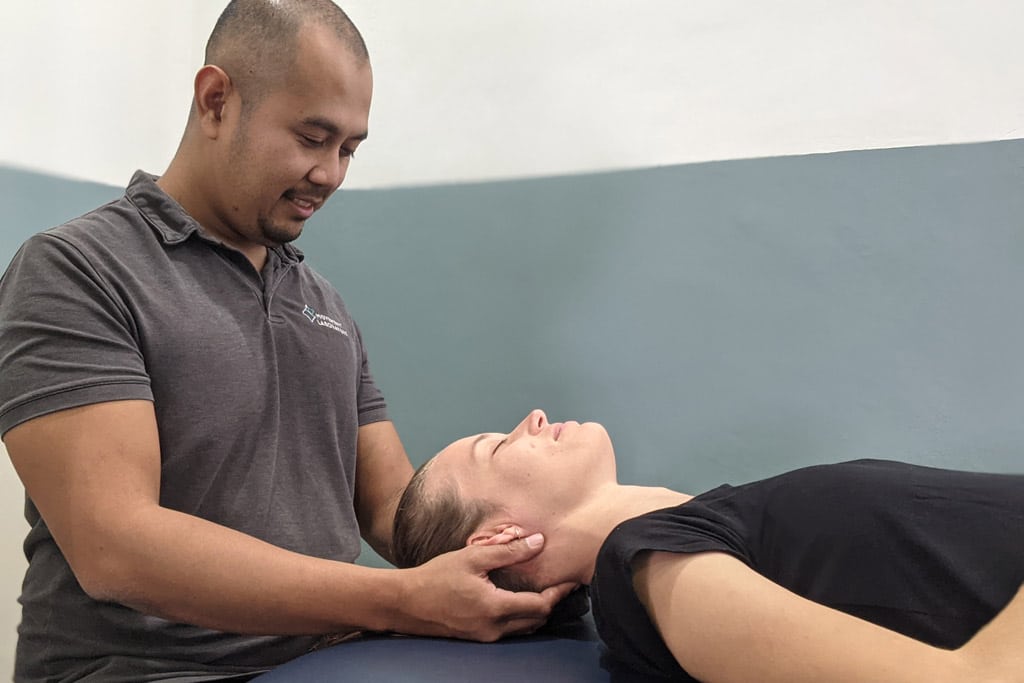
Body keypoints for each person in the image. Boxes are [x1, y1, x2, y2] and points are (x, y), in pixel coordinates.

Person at [0, 3, 573, 681]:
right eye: (312, 138)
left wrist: (536, 545)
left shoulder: (322, 303)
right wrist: (400, 600)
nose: (330, 173)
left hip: (323, 659)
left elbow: (394, 509)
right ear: (216, 101)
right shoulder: (76, 270)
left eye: (349, 149)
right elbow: (115, 547)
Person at [391, 408, 1024, 683]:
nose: (531, 417)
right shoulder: (653, 567)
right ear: (499, 542)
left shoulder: (703, 526)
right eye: (500, 446)